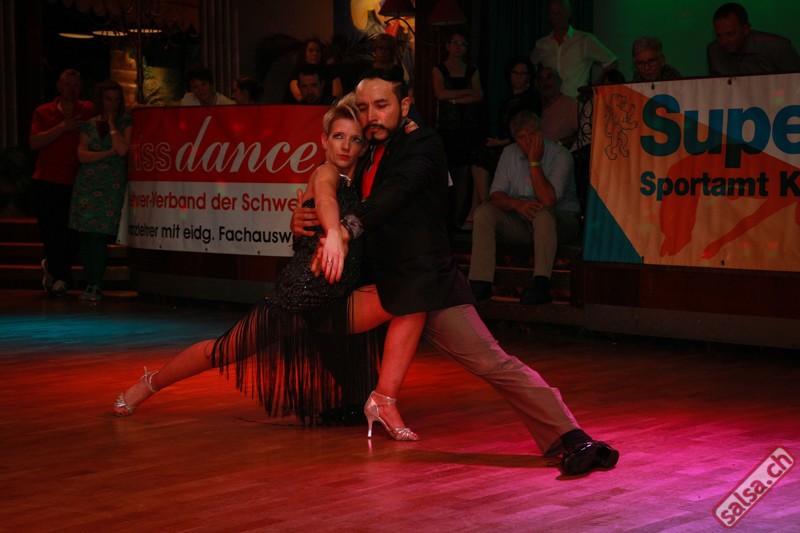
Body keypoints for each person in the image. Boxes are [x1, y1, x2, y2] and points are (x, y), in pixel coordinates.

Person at [297, 69, 618, 475]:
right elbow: (335, 189)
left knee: (492, 362)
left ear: (405, 106)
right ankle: (360, 401)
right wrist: (303, 216)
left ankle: (572, 437)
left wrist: (344, 230)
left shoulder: (424, 145)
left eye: (381, 105)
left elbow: (395, 194)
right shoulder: (366, 152)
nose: (371, 116)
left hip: (429, 287)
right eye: (363, 108)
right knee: (309, 317)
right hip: (385, 284)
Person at [113, 95, 426, 441]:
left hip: (340, 303)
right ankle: (149, 383)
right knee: (221, 351)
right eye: (338, 136)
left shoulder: (364, 182)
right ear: (324, 140)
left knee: (411, 299)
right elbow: (325, 200)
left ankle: (382, 399)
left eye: (354, 139)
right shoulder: (325, 173)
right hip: (299, 298)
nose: (345, 146)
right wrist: (334, 235)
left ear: (364, 146)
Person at [469, 109, 580, 305]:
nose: (528, 141)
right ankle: (481, 282)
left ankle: (541, 284)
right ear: (515, 139)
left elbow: (548, 201)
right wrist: (517, 204)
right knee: (484, 212)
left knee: (543, 214)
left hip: (560, 222)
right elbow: (496, 196)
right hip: (522, 221)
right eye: (522, 137)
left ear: (540, 132)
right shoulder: (509, 153)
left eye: (532, 134)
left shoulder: (560, 155)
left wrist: (534, 162)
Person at [29, 69, 96, 297]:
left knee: (72, 232)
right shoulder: (43, 111)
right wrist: (62, 127)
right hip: (46, 179)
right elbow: (34, 142)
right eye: (67, 85)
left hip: (77, 180)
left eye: (76, 85)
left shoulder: (87, 109)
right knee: (51, 230)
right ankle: (60, 276)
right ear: (59, 86)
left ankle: (59, 273)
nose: (71, 90)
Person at [69, 80, 133, 302]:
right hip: (87, 183)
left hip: (110, 185)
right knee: (86, 235)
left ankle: (96, 284)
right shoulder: (89, 125)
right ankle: (90, 283)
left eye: (116, 99)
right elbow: (81, 155)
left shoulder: (125, 123)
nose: (112, 103)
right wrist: (106, 153)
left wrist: (112, 126)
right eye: (108, 99)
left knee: (99, 235)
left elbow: (123, 150)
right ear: (100, 100)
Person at [469, 57, 541, 225]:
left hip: (520, 145)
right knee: (477, 158)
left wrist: (500, 142)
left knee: (481, 158)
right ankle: (477, 209)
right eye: (515, 73)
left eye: (522, 73)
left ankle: (485, 206)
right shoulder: (507, 100)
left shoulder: (531, 98)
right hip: (504, 143)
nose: (518, 77)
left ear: (529, 76)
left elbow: (526, 127)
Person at [432, 27, 484, 230]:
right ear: (447, 46)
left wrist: (453, 98)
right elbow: (440, 94)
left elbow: (478, 95)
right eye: (455, 43)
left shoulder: (471, 70)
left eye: (463, 44)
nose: (458, 47)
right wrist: (465, 93)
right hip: (447, 128)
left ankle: (458, 218)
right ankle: (444, 218)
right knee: (446, 172)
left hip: (468, 128)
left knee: (464, 172)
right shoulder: (439, 69)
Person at [530, 0, 618, 99]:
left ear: (569, 13)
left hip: (577, 102)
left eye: (559, 12)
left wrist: (591, 90)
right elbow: (530, 67)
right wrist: (538, 86)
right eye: (553, 13)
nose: (556, 17)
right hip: (550, 104)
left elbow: (611, 61)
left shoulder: (584, 40)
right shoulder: (541, 44)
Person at [707, 2, 800, 76]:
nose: (724, 41)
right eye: (719, 36)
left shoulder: (778, 48)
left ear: (746, 29)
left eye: (730, 34)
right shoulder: (714, 51)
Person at [287, 38, 343, 104]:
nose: (314, 54)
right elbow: (299, 97)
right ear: (304, 53)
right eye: (311, 51)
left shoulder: (330, 72)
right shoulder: (297, 73)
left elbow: (338, 95)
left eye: (318, 51)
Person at [536, 66, 578, 149]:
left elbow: (585, 133)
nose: (546, 83)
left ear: (560, 81)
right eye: (542, 79)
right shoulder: (534, 105)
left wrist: (561, 143)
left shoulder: (571, 105)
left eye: (550, 77)